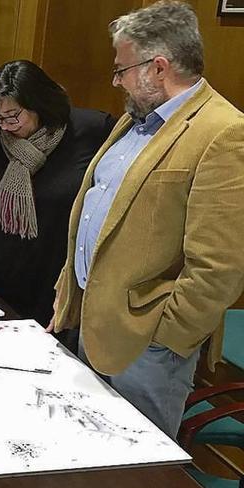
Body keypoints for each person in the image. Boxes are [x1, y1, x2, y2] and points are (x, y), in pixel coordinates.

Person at [50, 0, 244, 437]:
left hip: (149, 345)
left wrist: (167, 338)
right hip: (95, 326)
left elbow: (220, 267)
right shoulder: (134, 122)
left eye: (121, 69)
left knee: (137, 472)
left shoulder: (224, 132)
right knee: (88, 453)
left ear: (157, 68)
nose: (116, 80)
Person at [0, 60, 114, 342]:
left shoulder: (91, 130)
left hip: (57, 275)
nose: (6, 126)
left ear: (38, 102)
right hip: (3, 273)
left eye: (13, 116)